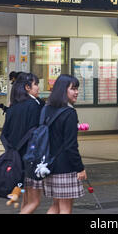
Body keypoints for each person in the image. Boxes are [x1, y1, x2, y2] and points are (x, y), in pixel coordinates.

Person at [43, 74, 87, 214]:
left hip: (49, 164)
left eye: (77, 88)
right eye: (73, 89)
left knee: (55, 206)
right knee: (65, 209)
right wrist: (80, 168)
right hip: (65, 167)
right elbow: (70, 146)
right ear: (63, 90)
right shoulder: (69, 113)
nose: (77, 92)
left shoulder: (46, 109)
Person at [0, 72, 43, 214]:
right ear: (27, 87)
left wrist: (12, 151)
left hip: (16, 159)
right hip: (30, 159)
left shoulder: (13, 107)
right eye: (36, 84)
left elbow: (4, 134)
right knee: (34, 201)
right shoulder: (34, 106)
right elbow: (37, 132)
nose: (38, 87)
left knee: (26, 196)